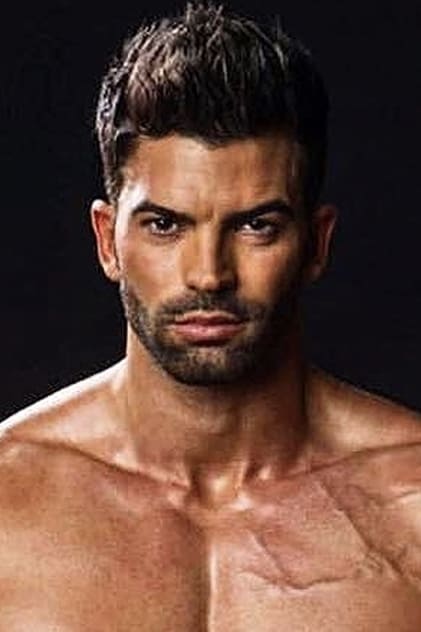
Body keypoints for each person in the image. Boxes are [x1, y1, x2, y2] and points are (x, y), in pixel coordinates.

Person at [1, 2, 421, 629]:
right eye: (165, 225)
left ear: (316, 243)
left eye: (256, 225)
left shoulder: (411, 504)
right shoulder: (7, 503)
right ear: (108, 241)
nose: (208, 274)